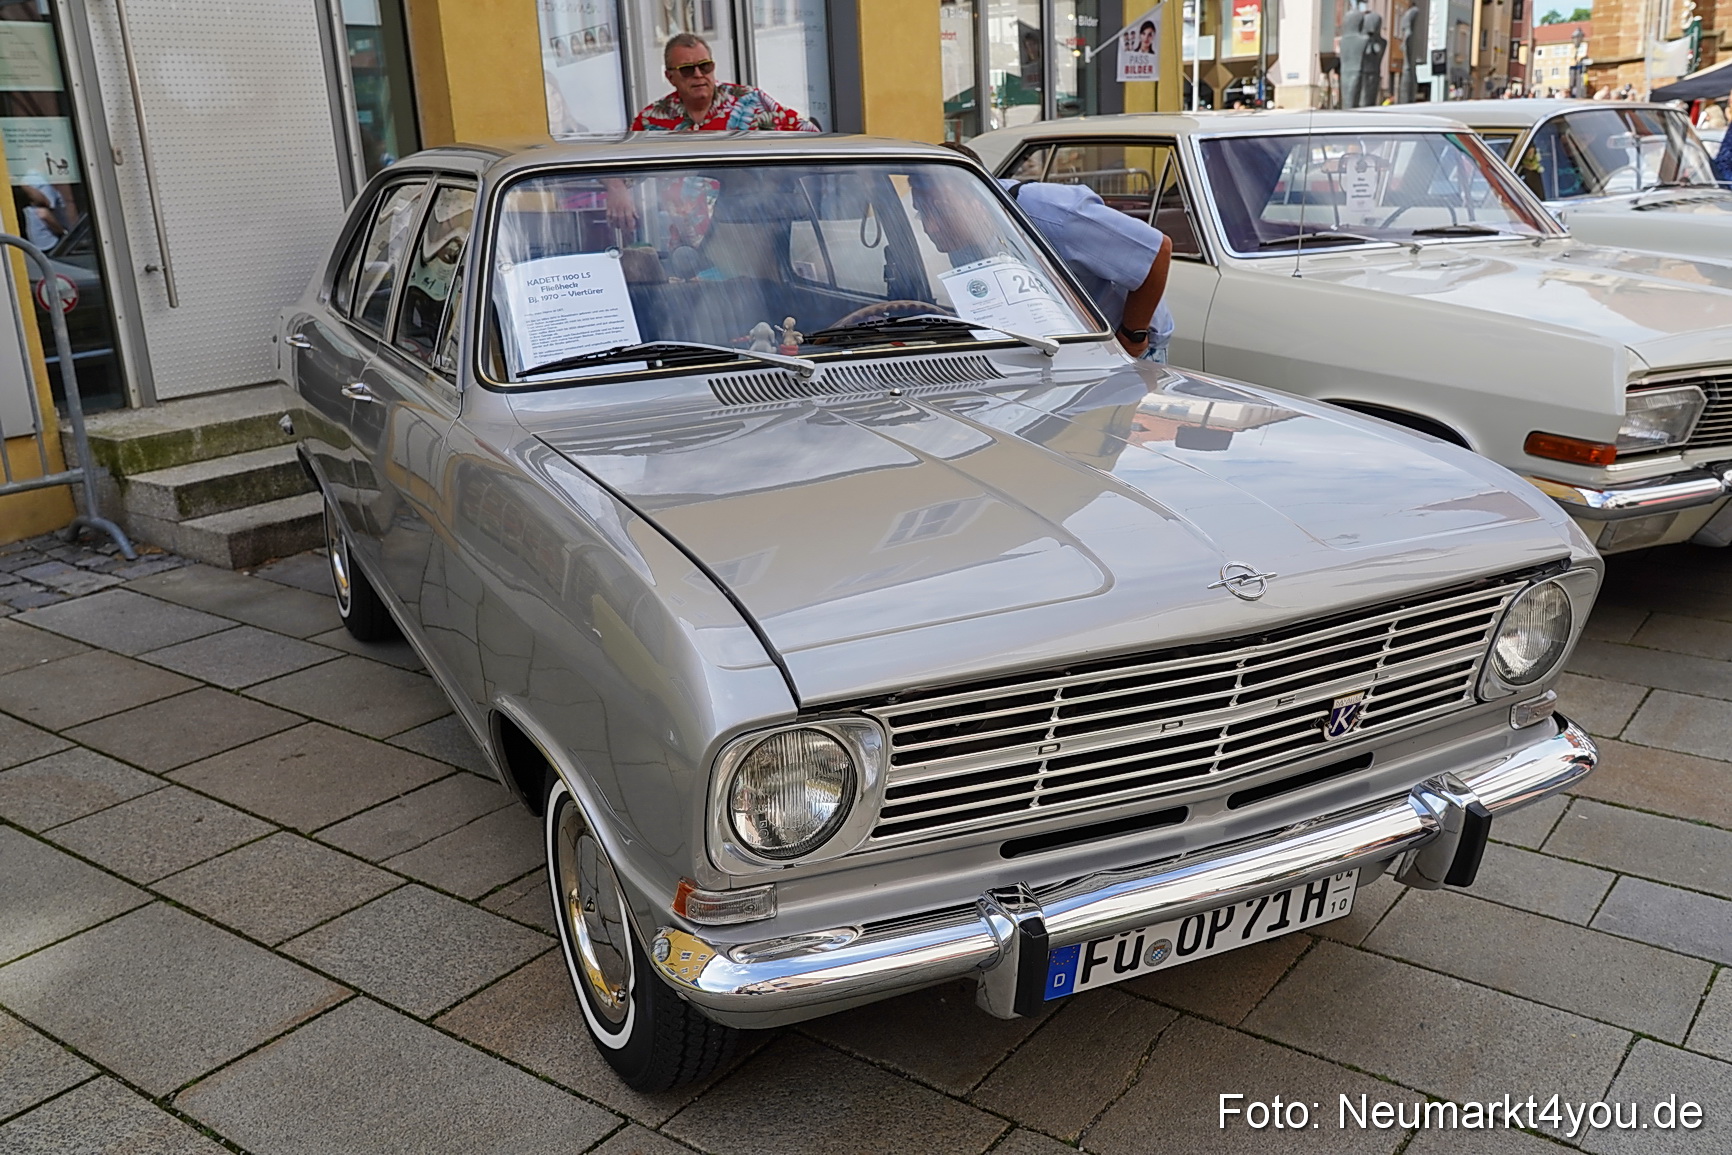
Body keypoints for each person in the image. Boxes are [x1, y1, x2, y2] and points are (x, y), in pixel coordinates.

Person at [920, 143, 1174, 362]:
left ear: (976, 196)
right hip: (1069, 347)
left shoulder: (1054, 214)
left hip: (1129, 343)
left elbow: (1157, 252)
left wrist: (1132, 336)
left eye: (941, 210)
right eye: (921, 211)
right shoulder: (963, 236)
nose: (929, 226)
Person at [630, 33, 819, 133]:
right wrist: (617, 189)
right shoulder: (652, 119)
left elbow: (811, 136)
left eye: (705, 66)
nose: (698, 74)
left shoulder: (751, 102)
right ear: (670, 77)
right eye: (687, 69)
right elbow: (623, 168)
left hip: (743, 205)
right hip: (674, 208)